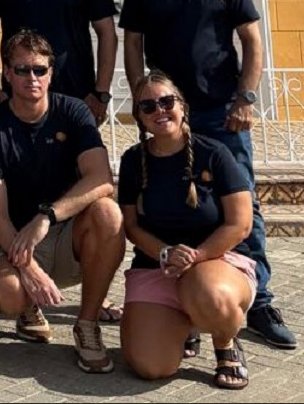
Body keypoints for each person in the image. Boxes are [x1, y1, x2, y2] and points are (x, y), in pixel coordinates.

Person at [120, 0, 293, 349]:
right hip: (167, 113)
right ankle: (185, 301)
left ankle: (257, 302)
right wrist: (144, 102)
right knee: (170, 200)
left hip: (220, 112)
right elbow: (133, 44)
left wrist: (245, 98)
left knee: (243, 205)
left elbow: (252, 41)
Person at [0, 29, 124, 374]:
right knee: (9, 294)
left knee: (108, 213)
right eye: (22, 69)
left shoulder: (72, 112)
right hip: (15, 237)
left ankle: (86, 324)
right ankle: (27, 310)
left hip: (65, 230)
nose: (32, 78)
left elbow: (101, 178)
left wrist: (47, 217)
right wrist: (29, 268)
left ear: (51, 72)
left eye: (40, 69)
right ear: (7, 73)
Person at [117, 71, 256, 390]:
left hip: (215, 264)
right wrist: (166, 253)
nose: (159, 110)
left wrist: (197, 256)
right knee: (151, 367)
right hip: (157, 266)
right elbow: (132, 227)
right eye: (148, 106)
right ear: (139, 117)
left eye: (167, 101)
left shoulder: (214, 152)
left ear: (183, 107)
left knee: (210, 295)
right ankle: (184, 327)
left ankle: (225, 342)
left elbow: (241, 222)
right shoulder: (132, 161)